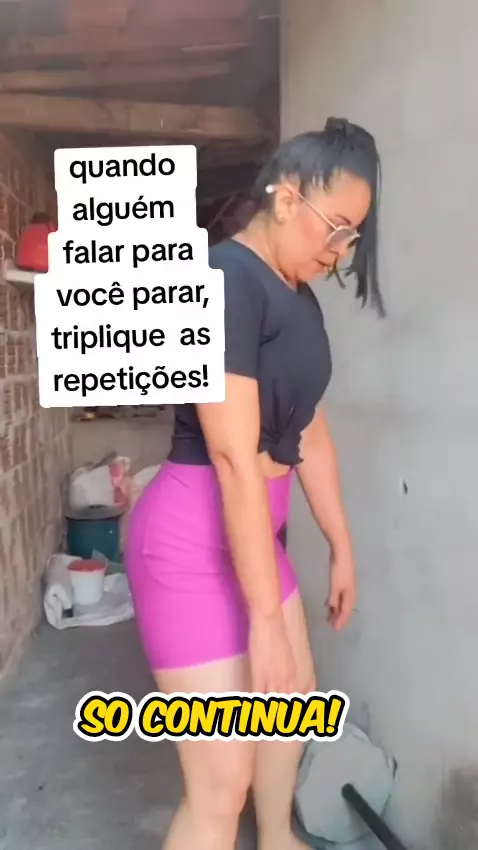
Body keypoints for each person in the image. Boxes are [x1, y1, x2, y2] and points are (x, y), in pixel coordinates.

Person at [125, 117, 384, 850]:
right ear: (288, 196)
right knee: (220, 782)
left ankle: (278, 839)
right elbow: (233, 456)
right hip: (187, 545)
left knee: (288, 709)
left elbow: (311, 430)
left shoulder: (297, 297)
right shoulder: (222, 280)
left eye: (353, 238)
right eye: (336, 229)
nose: (340, 252)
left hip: (251, 537)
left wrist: (340, 545)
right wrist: (264, 624)